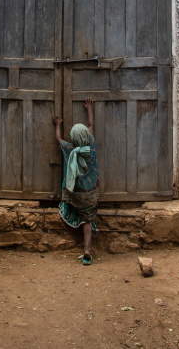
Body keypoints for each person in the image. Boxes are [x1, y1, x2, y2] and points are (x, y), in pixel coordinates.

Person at [52, 97, 99, 265]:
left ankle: (74, 220)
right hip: (91, 193)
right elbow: (91, 125)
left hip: (76, 194)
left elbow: (58, 139)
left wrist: (58, 125)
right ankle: (87, 249)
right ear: (86, 135)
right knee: (88, 219)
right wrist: (89, 108)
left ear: (73, 137)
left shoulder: (70, 149)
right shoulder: (91, 145)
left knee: (69, 202)